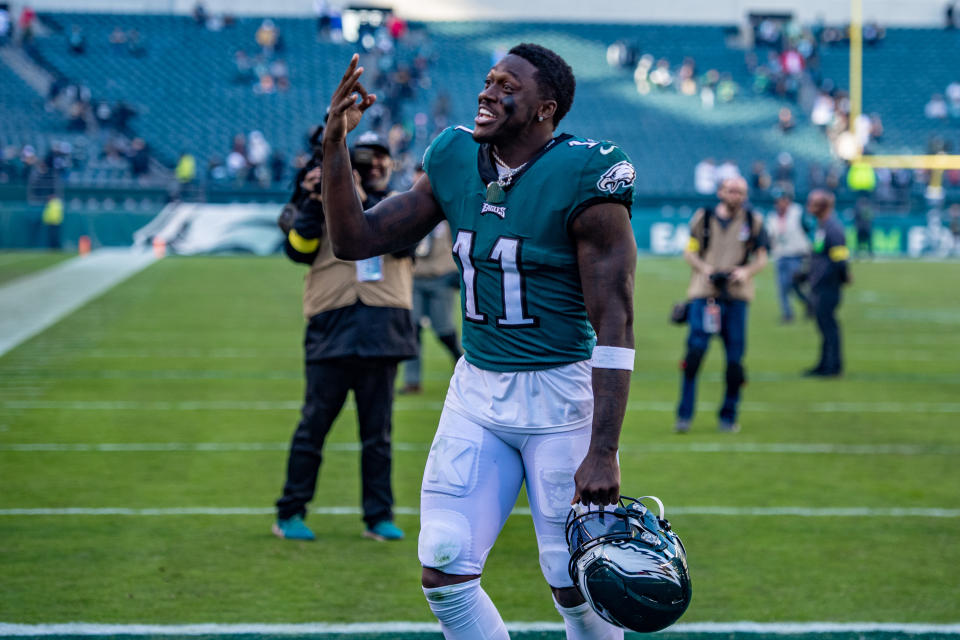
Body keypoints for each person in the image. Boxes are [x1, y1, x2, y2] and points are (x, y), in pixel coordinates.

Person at [322, 46, 638, 639]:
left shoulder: (586, 174)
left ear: (546, 109)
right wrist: (334, 144)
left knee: (575, 577)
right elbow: (354, 239)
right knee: (444, 564)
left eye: (507, 86)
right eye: (488, 81)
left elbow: (616, 322)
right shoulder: (454, 156)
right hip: (477, 390)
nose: (488, 93)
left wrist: (604, 449)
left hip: (559, 396)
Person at [272, 133, 417, 543]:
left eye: (379, 160)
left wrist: (358, 199)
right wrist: (319, 201)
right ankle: (289, 512)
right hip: (331, 325)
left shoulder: (401, 204)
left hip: (381, 327)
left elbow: (408, 246)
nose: (374, 168)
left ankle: (378, 516)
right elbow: (298, 249)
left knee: (378, 434)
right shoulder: (317, 202)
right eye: (364, 161)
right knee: (312, 427)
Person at [675, 177, 768, 434]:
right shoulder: (703, 218)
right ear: (720, 192)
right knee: (694, 356)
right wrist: (705, 269)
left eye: (740, 192)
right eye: (731, 191)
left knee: (735, 362)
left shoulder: (753, 220)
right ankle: (684, 415)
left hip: (737, 297)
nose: (735, 195)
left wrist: (746, 272)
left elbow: (762, 258)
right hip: (704, 294)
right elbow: (689, 251)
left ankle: (728, 416)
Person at [400, 166, 462, 395]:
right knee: (412, 329)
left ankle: (463, 367)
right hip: (415, 277)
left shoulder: (449, 208)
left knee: (444, 330)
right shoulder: (407, 209)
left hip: (440, 277)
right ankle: (412, 381)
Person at [804, 190, 850, 377]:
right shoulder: (822, 227)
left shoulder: (833, 228)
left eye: (813, 203)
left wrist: (842, 276)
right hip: (820, 284)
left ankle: (833, 366)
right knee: (823, 325)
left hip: (828, 285)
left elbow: (840, 258)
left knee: (828, 326)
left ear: (822, 206)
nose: (809, 207)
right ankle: (824, 364)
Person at [765, 188, 811, 323]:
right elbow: (770, 236)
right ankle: (787, 314)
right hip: (780, 254)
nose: (779, 204)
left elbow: (809, 229)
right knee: (782, 287)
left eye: (782, 200)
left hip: (796, 254)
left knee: (795, 285)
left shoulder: (798, 212)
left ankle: (809, 302)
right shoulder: (772, 217)